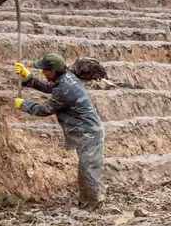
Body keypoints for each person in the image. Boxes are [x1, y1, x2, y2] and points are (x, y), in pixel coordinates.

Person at [12, 54, 106, 209]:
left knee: (88, 171)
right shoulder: (65, 78)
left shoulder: (65, 88)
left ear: (54, 71)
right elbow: (49, 87)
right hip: (85, 132)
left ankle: (94, 206)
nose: (43, 73)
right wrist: (28, 78)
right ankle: (89, 204)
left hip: (89, 133)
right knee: (86, 170)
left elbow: (45, 109)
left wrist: (23, 105)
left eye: (45, 70)